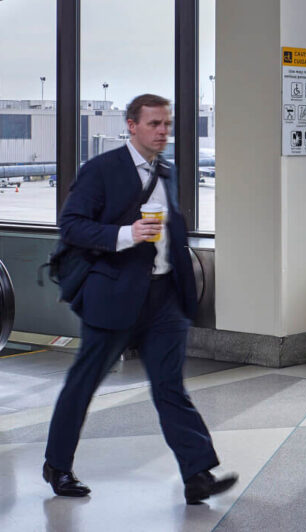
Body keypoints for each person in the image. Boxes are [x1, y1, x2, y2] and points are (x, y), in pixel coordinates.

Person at [43, 94, 236, 505]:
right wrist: (126, 234)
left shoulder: (165, 171)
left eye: (166, 124)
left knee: (170, 387)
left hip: (163, 298)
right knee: (84, 382)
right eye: (154, 124)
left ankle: (197, 473)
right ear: (131, 126)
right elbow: (72, 225)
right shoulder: (100, 171)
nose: (163, 131)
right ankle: (57, 466)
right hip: (113, 294)